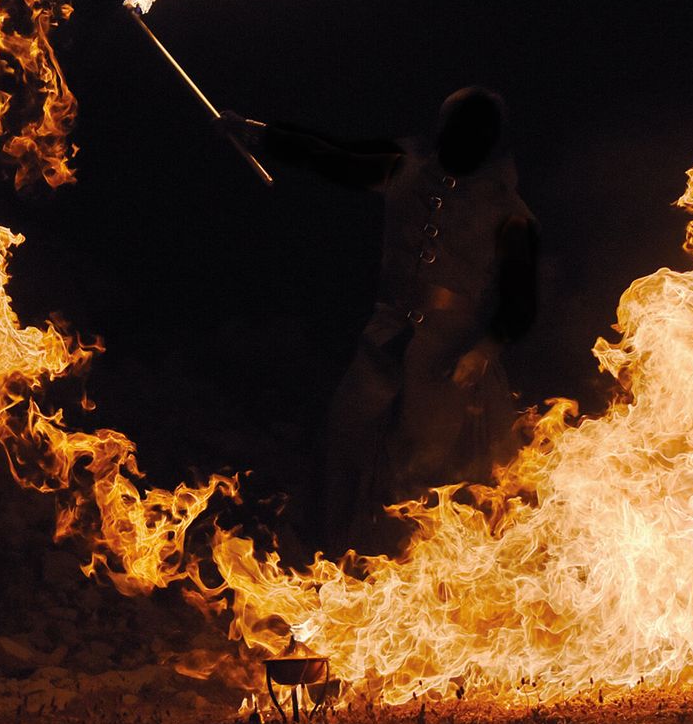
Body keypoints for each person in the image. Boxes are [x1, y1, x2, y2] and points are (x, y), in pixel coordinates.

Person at [219, 88, 537, 555]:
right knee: (349, 437)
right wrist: (259, 134)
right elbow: (329, 156)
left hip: (449, 353)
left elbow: (519, 305)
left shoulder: (512, 216)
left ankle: (417, 567)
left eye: (475, 133)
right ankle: (341, 554)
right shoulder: (404, 167)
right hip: (387, 335)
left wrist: (481, 353)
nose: (462, 140)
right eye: (456, 128)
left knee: (424, 464)